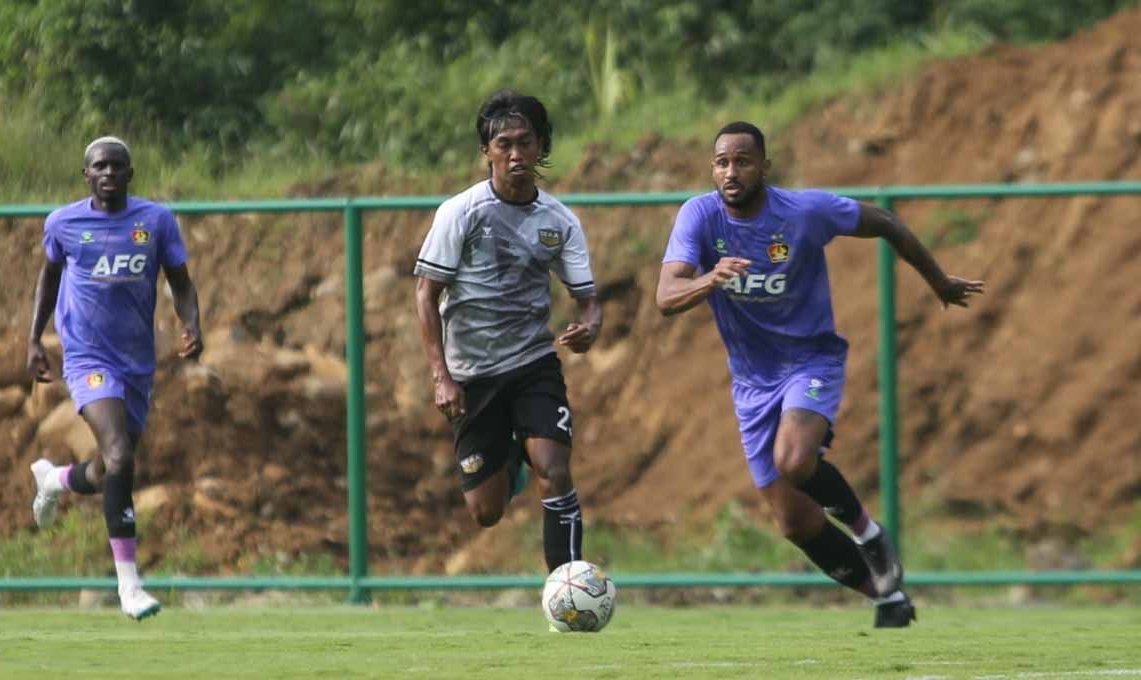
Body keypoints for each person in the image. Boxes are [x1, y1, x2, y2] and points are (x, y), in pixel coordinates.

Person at [656, 121, 984, 628]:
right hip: (750, 382)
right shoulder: (699, 216)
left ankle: (870, 535)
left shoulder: (804, 212)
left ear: (765, 166)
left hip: (811, 362)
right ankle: (885, 595)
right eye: (722, 162)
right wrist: (709, 278)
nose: (731, 171)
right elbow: (666, 296)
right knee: (794, 520)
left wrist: (937, 280)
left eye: (743, 160)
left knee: (794, 458)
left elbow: (886, 222)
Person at [414, 89, 602, 577]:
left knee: (555, 470)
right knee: (486, 512)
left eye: (525, 143)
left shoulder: (559, 221)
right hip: (472, 373)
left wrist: (590, 325)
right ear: (487, 151)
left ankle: (567, 586)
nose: (515, 155)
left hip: (532, 363)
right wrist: (441, 376)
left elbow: (589, 299)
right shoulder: (461, 213)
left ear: (541, 145)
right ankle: (512, 460)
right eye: (504, 145)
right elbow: (424, 295)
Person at [26, 136, 203, 620]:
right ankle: (130, 586)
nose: (108, 172)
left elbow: (181, 284)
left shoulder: (155, 222)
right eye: (99, 166)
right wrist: (35, 339)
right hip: (87, 357)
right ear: (86, 175)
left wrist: (191, 323)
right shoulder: (64, 223)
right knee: (121, 454)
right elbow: (49, 276)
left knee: (109, 468)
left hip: (136, 363)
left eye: (117, 166)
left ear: (130, 173)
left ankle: (55, 479)